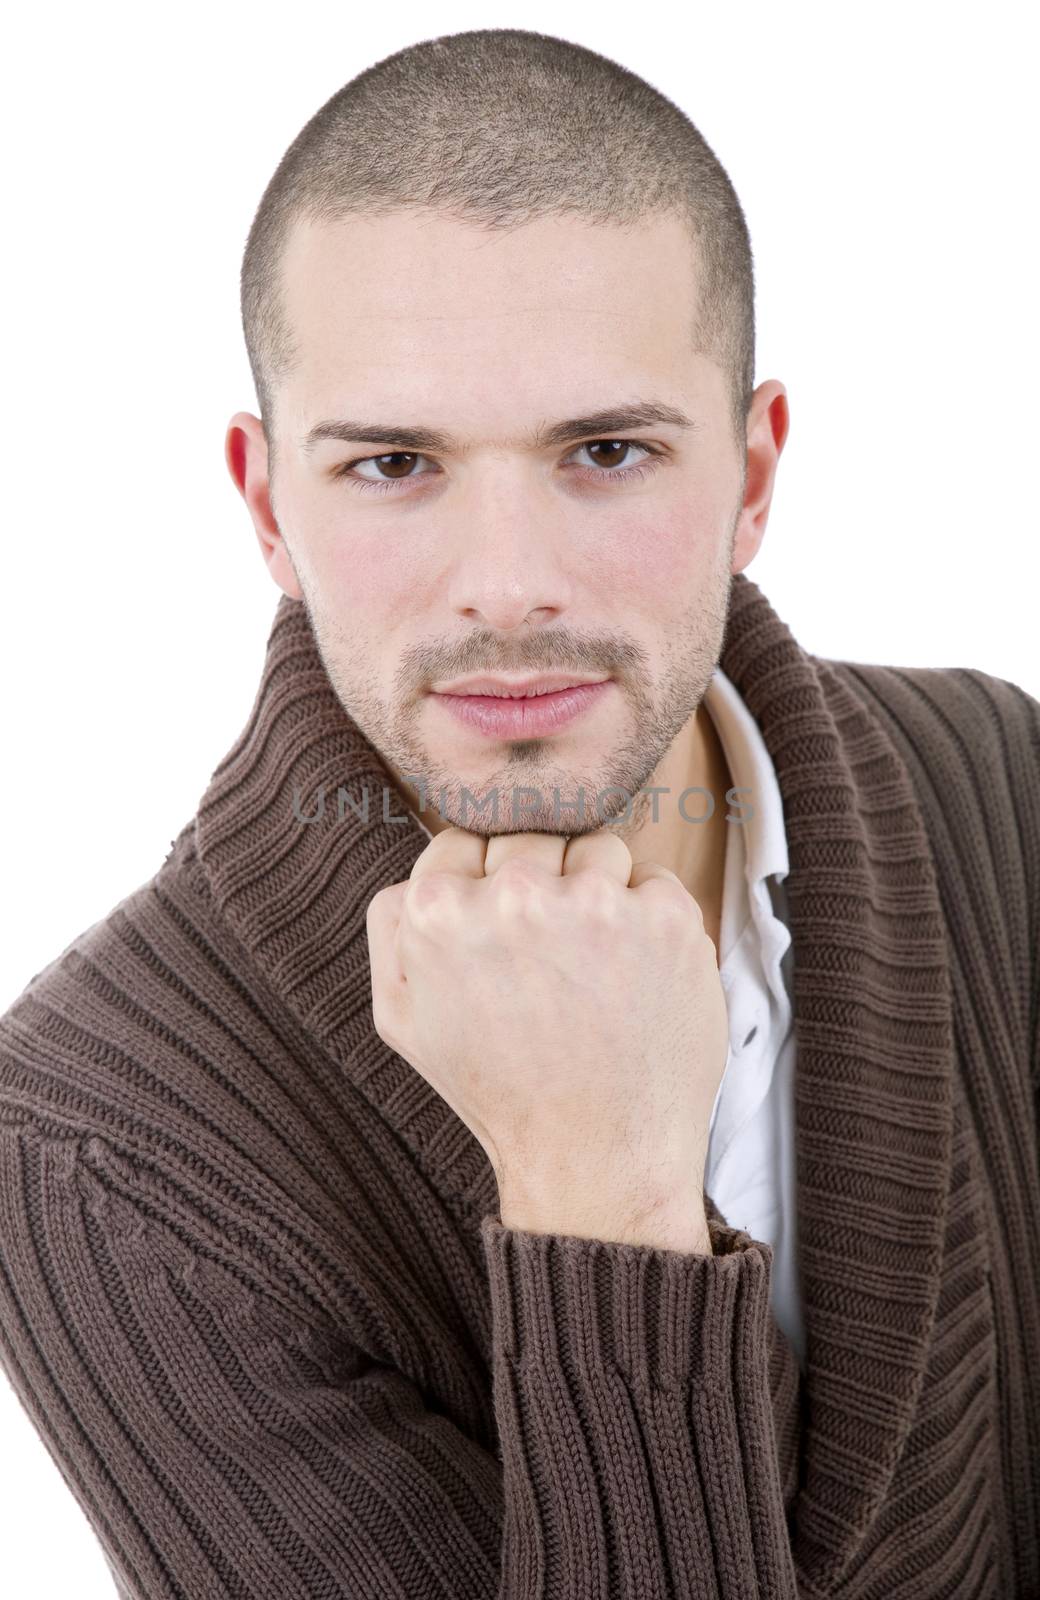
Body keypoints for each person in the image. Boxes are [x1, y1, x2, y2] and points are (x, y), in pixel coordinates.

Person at [1, 25, 1037, 1600]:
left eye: (607, 453)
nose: (507, 586)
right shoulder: (93, 1147)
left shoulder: (998, 777)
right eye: (396, 463)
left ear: (755, 474)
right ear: (268, 503)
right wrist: (596, 1198)